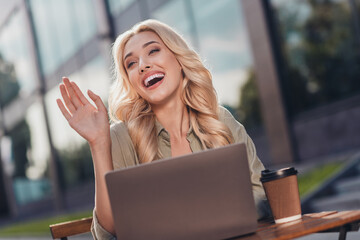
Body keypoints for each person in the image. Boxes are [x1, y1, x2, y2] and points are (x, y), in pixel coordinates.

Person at [57, 19, 269, 240]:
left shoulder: (219, 119)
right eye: (131, 64)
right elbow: (108, 232)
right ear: (131, 82)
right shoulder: (120, 137)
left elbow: (261, 192)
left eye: (153, 51)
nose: (143, 65)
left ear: (178, 60)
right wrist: (98, 142)